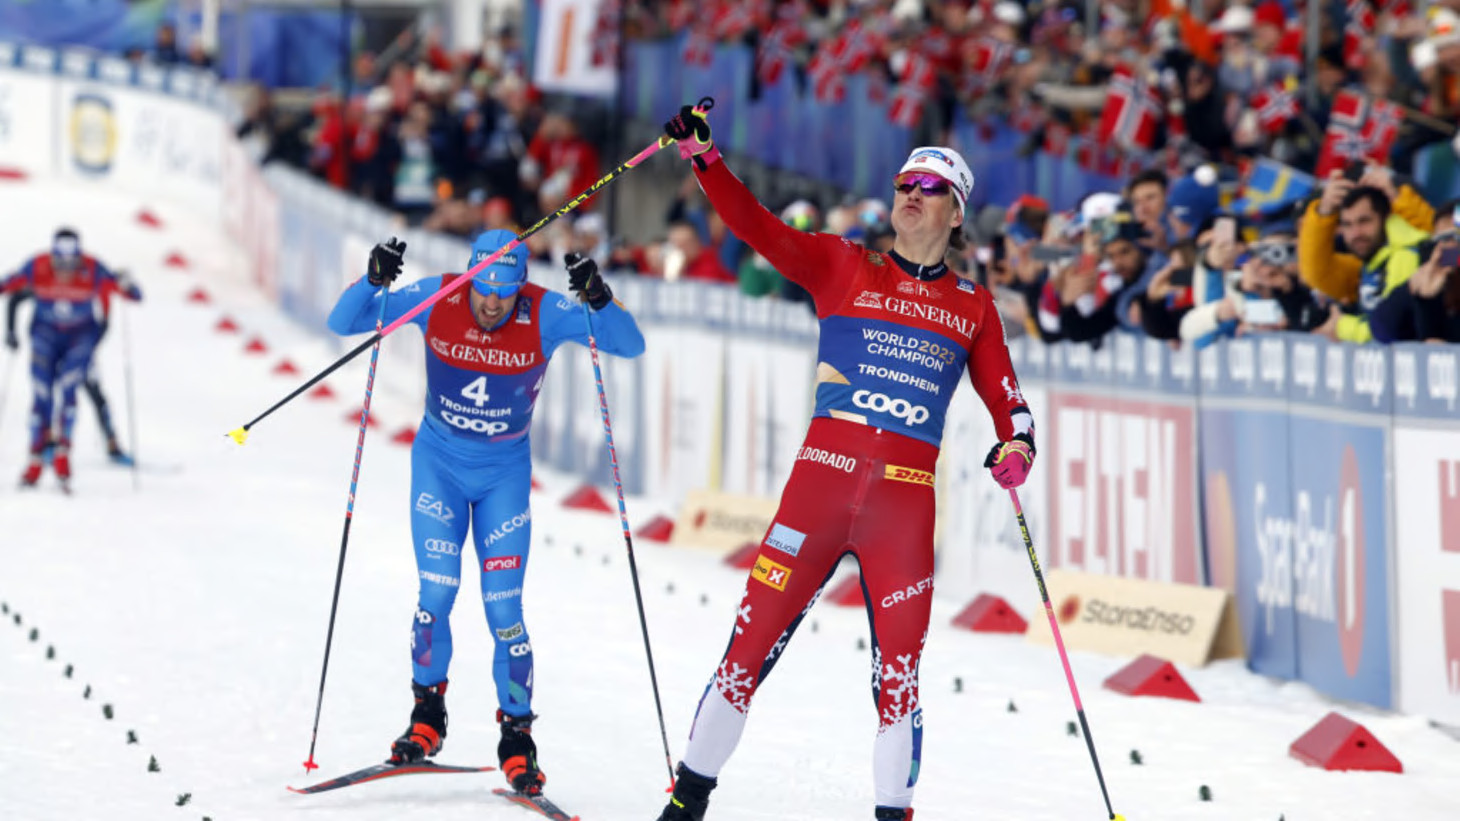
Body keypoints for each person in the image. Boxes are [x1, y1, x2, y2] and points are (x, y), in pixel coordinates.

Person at [653, 107, 1035, 821]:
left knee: (900, 683)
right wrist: (706, 159)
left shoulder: (973, 307)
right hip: (816, 497)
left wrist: (1018, 445)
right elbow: (756, 228)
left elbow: (1009, 402)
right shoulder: (844, 264)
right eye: (904, 183)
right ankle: (684, 803)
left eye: (929, 187)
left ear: (956, 213)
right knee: (743, 656)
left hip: (902, 512)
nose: (910, 194)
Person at [325, 230, 645, 796]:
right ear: (470, 277)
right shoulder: (439, 296)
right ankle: (427, 717)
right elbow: (344, 321)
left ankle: (517, 739)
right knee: (437, 592)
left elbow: (628, 344)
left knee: (505, 611)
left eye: (505, 292)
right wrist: (374, 279)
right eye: (484, 290)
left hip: (503, 477)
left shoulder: (545, 311)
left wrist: (598, 296)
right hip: (439, 468)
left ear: (521, 285)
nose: (492, 303)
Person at [0, 228, 141, 489]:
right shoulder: (38, 266)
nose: (65, 270)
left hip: (80, 339)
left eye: (71, 263)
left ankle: (63, 453)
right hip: (44, 336)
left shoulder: (92, 268)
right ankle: (36, 458)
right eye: (60, 263)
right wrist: (10, 332)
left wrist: (127, 284)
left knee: (69, 389)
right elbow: (10, 287)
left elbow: (131, 293)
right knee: (41, 394)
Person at [7, 277, 136, 467]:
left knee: (95, 395)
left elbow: (122, 300)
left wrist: (125, 284)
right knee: (48, 396)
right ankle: (48, 444)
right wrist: (11, 332)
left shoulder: (87, 281)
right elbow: (15, 298)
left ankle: (112, 444)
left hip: (79, 352)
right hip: (52, 350)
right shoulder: (47, 283)